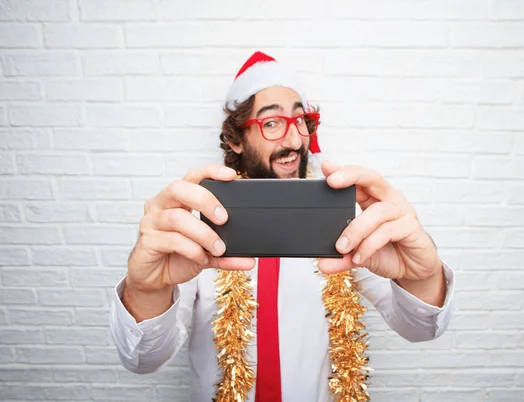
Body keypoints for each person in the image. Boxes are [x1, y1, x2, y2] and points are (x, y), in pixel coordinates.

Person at [109, 51, 455, 402]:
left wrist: (422, 277)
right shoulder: (195, 225)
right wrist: (146, 291)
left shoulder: (343, 222)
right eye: (271, 123)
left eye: (300, 120)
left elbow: (422, 328)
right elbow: (142, 358)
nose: (293, 141)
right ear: (235, 140)